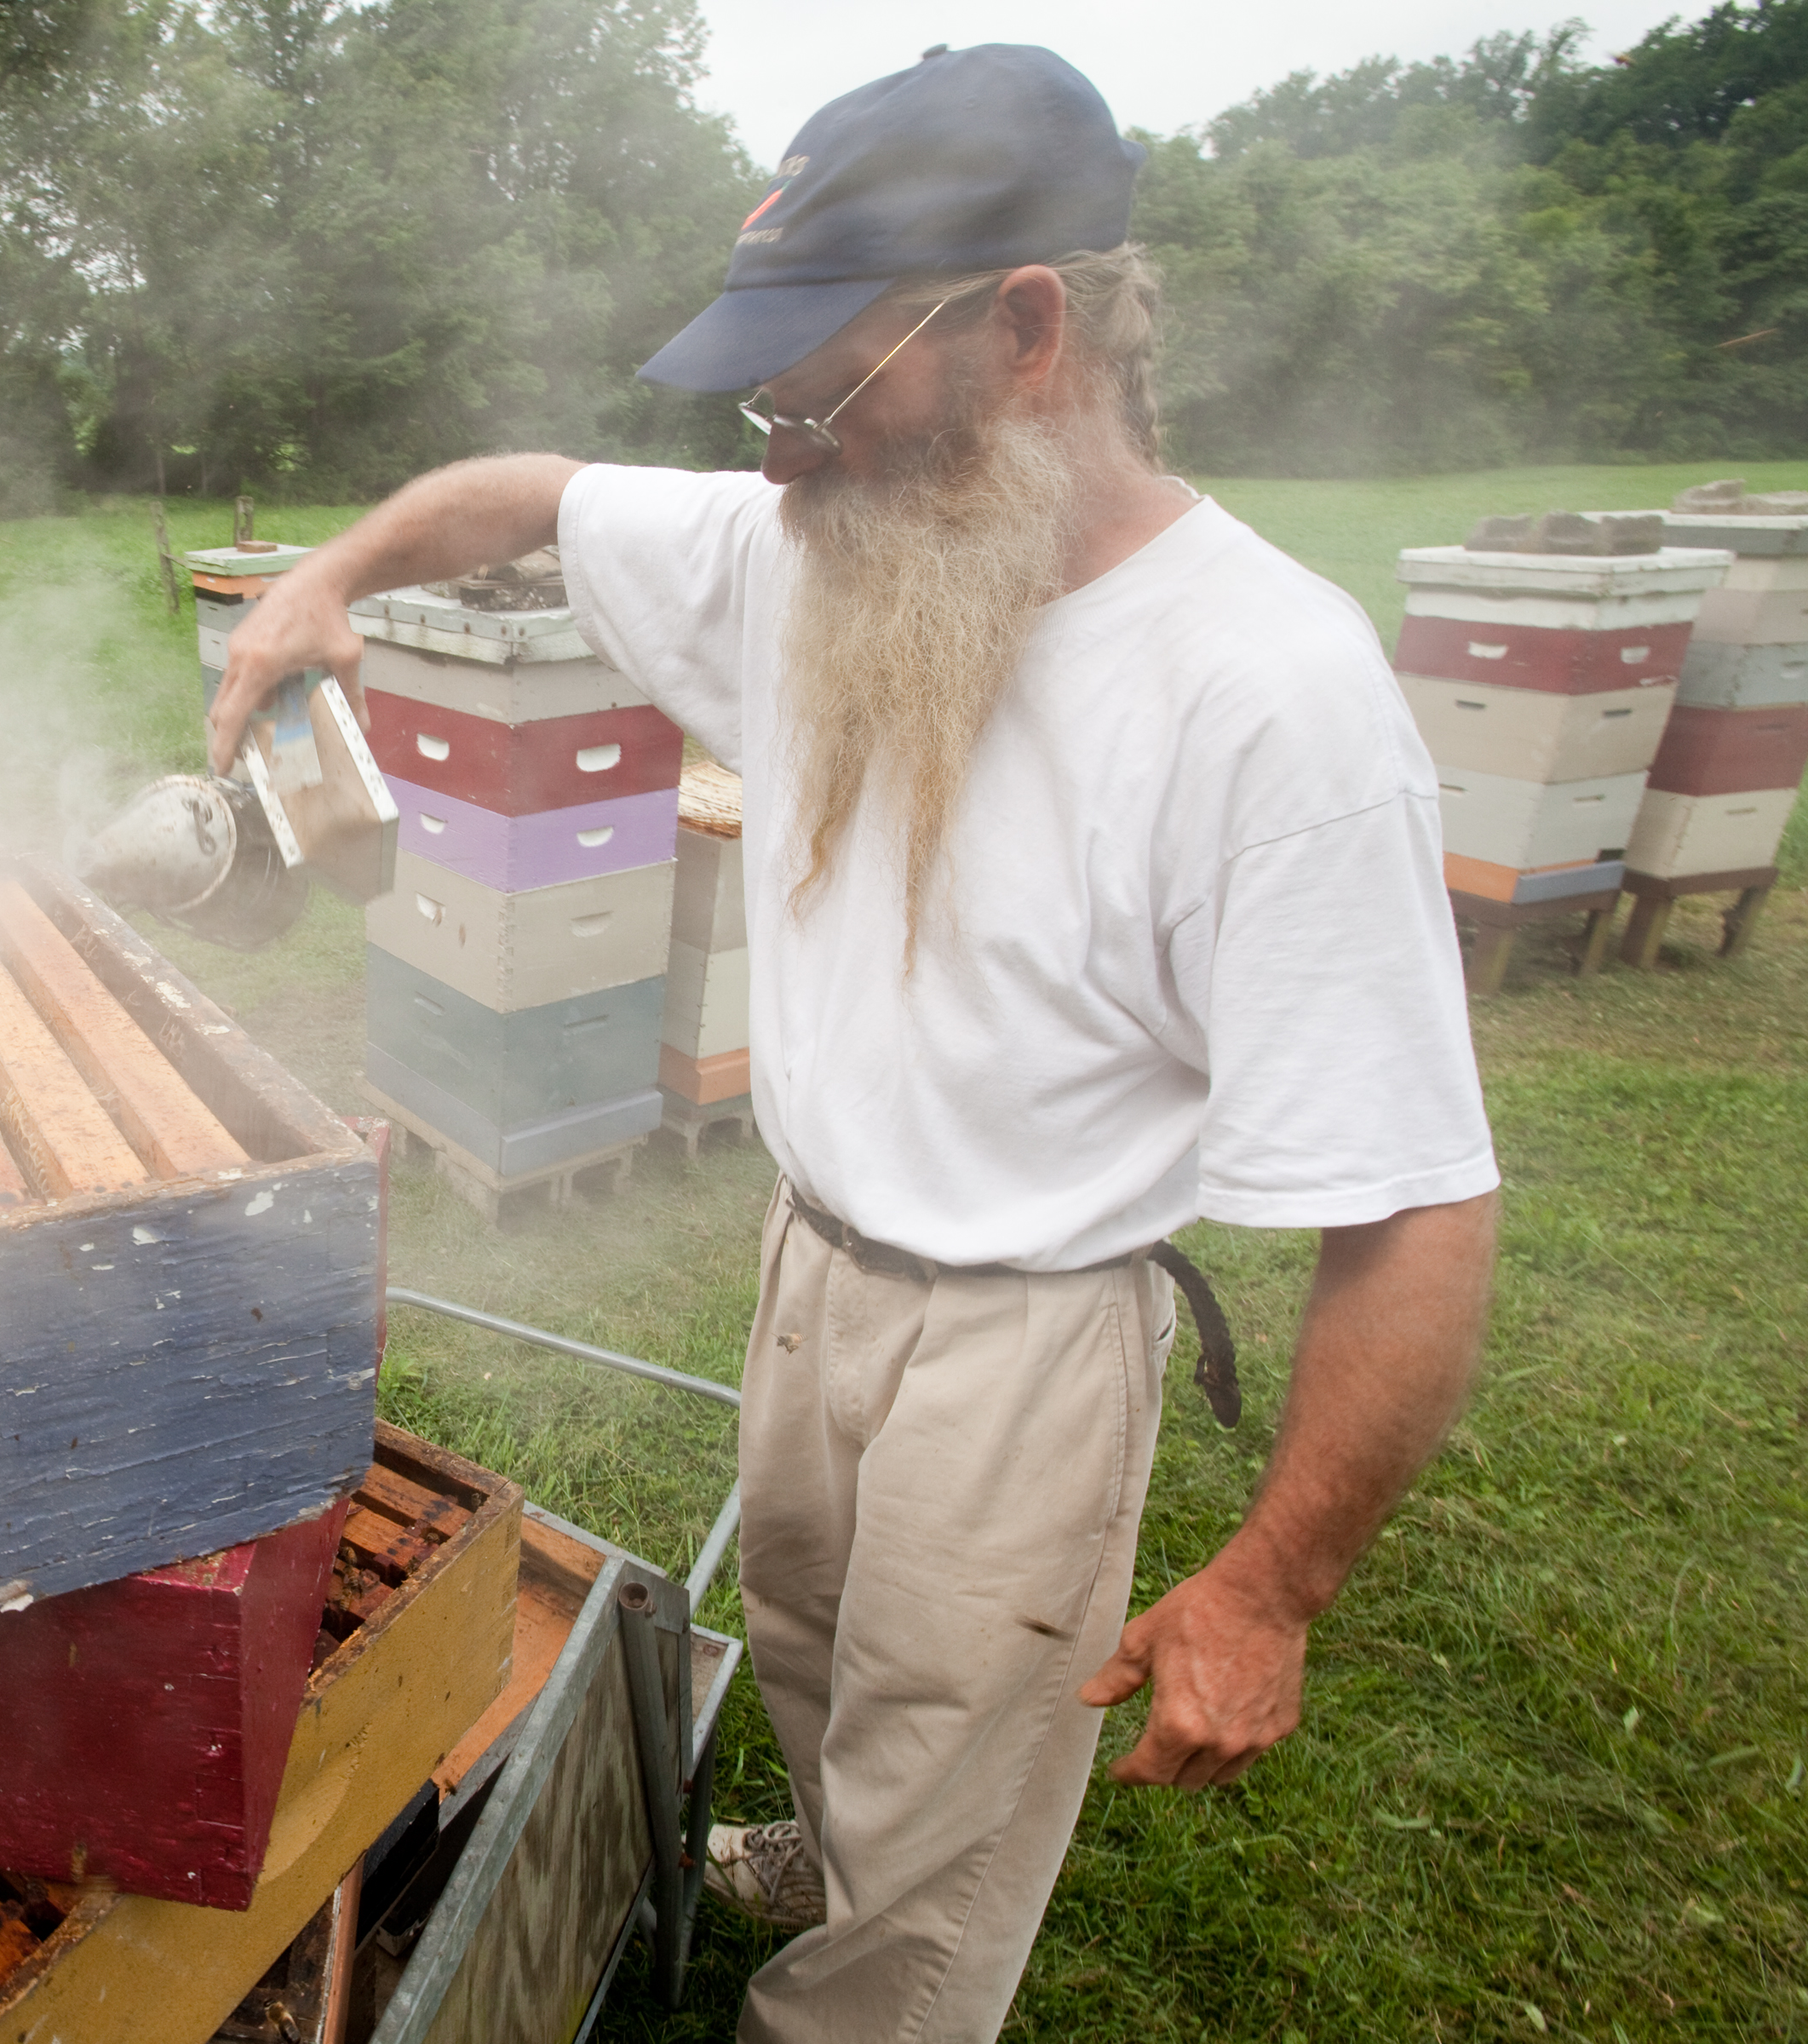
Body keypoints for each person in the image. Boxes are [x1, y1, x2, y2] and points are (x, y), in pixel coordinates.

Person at [204, 43, 1501, 2044]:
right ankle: (826, 1839)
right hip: (814, 1269)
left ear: (1031, 330)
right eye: (768, 403)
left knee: (944, 1827)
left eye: (824, 393)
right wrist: (327, 577)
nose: (783, 456)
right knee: (811, 1649)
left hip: (1025, 1338)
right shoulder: (802, 548)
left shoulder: (1274, 695)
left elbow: (1414, 1209)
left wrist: (1264, 1589)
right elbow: (527, 494)